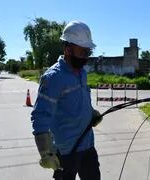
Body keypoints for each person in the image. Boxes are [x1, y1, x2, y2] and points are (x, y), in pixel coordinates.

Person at [31, 21, 103, 180]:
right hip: (66, 151)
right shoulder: (53, 77)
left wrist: (91, 113)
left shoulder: (82, 72)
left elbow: (79, 99)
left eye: (88, 52)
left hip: (88, 145)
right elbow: (40, 115)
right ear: (68, 49)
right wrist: (45, 152)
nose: (85, 57)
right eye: (82, 52)